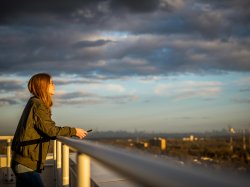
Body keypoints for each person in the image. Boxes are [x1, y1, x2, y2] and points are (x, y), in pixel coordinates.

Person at [11, 73, 88, 187]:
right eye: (51, 83)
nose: (54, 86)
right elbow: (50, 130)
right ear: (43, 86)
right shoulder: (38, 104)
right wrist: (74, 131)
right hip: (26, 164)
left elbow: (45, 128)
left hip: (22, 161)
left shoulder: (34, 102)